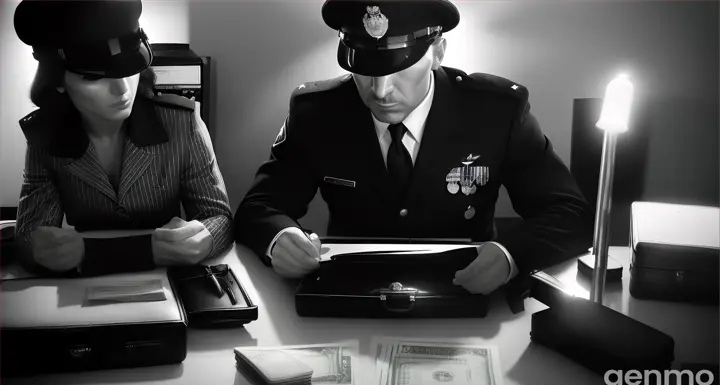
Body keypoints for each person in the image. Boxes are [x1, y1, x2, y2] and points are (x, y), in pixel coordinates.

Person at [235, 0, 593, 294]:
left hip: (465, 291)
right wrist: (280, 238)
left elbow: (569, 214)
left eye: (400, 67)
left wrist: (511, 254)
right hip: (353, 293)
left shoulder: (495, 111)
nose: (380, 90)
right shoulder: (317, 112)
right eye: (366, 70)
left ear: (437, 51)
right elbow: (259, 207)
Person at [13, 0, 233, 275]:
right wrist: (37, 247)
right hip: (82, 296)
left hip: (167, 285)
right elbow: (27, 235)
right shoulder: (44, 136)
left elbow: (220, 218)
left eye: (129, 69)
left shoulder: (182, 123)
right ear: (58, 81)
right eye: (94, 78)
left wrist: (206, 237)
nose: (122, 90)